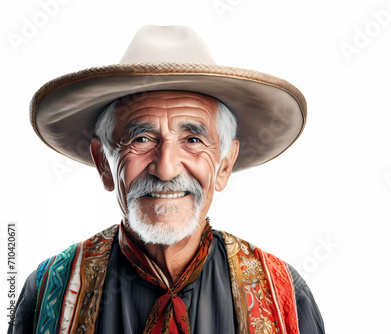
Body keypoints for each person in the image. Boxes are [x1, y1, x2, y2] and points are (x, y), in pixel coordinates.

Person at [9, 25, 324, 334]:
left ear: (225, 164)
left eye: (193, 140)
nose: (166, 169)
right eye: (142, 139)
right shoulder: (49, 290)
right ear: (104, 163)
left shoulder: (285, 296)